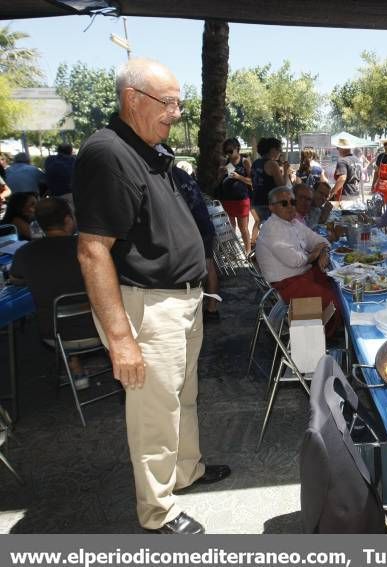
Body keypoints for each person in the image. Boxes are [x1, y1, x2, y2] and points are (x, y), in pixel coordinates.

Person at [73, 58, 230, 535]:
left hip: (180, 300)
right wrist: (120, 338)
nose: (176, 113)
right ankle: (157, 511)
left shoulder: (145, 148)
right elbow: (92, 251)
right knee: (154, 414)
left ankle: (186, 472)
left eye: (180, 103)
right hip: (147, 305)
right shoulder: (108, 153)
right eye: (169, 103)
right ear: (132, 99)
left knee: (182, 398)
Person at [8, 198, 96, 388]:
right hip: (101, 326)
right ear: (68, 220)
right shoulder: (89, 246)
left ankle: (76, 369)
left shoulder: (25, 253)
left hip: (55, 334)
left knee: (57, 305)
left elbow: (15, 279)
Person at [255, 187, 342, 335]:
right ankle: (324, 340)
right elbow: (295, 260)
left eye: (292, 202)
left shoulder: (293, 222)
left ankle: (333, 332)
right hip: (287, 283)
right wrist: (315, 254)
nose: (290, 206)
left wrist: (323, 252)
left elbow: (318, 240)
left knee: (339, 284)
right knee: (333, 302)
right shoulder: (272, 228)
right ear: (271, 207)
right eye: (284, 203)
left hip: (303, 274)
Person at [173, 163, 222, 321]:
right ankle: (212, 308)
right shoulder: (182, 174)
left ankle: (203, 309)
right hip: (203, 225)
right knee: (209, 266)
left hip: (195, 228)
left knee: (204, 268)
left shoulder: (169, 177)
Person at [250, 137, 292, 246]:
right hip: (268, 204)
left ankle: (257, 248)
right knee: (272, 235)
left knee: (263, 229)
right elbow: (282, 186)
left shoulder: (256, 163)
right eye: (279, 149)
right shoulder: (272, 164)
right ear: (272, 149)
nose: (280, 152)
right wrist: (286, 170)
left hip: (255, 202)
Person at [218, 138, 253, 255]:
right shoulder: (225, 162)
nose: (228, 154)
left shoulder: (245, 162)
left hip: (241, 200)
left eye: (230, 151)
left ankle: (247, 251)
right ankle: (232, 251)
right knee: (230, 228)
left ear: (237, 149)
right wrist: (221, 173)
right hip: (227, 199)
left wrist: (239, 177)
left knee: (243, 228)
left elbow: (252, 181)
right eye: (226, 151)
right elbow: (219, 181)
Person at [44, 143, 77, 208]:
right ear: (70, 151)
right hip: (70, 194)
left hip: (53, 194)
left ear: (58, 151)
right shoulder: (74, 161)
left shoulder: (49, 159)